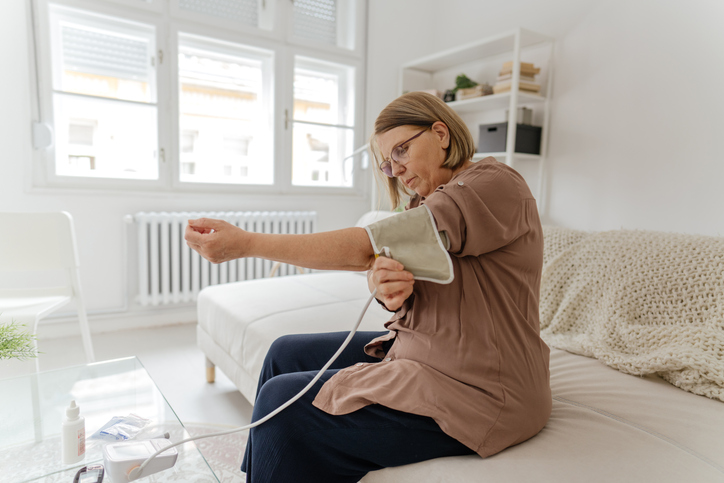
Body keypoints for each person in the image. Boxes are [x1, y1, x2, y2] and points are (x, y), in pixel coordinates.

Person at [184, 91, 551, 483]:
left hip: (482, 389)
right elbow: (400, 273)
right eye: (388, 162)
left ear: (441, 133)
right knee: (283, 353)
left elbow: (367, 246)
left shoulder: (493, 184)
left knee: (282, 402)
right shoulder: (423, 206)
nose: (396, 170)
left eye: (402, 151)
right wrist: (386, 285)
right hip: (426, 352)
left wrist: (248, 245)